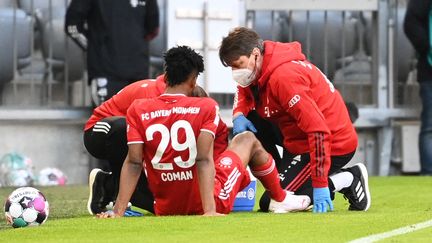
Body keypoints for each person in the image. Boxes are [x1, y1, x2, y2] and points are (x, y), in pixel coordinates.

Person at [98, 45, 311, 217]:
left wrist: (117, 211)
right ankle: (280, 198)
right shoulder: (205, 106)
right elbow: (204, 160)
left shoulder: (138, 108)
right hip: (208, 201)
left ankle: (119, 208)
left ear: (166, 74)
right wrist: (210, 211)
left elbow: (134, 162)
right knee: (247, 139)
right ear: (193, 80)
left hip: (165, 207)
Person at [218, 27, 371, 213]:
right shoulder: (259, 66)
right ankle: (280, 173)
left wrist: (321, 184)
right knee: (250, 121)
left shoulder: (284, 78)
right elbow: (244, 88)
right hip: (297, 137)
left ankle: (349, 178)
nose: (236, 72)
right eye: (232, 67)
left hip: (332, 144)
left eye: (238, 64)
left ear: (256, 54)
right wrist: (238, 114)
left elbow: (318, 130)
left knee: (271, 202)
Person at [84, 76, 166, 215]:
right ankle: (120, 200)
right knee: (123, 129)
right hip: (99, 132)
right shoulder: (151, 95)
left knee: (164, 207)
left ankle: (105, 184)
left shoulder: (187, 98)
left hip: (134, 141)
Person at [65, 0, 160, 106]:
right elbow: (73, 26)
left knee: (135, 120)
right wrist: (95, 49)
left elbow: (153, 27)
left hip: (136, 73)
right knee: (113, 119)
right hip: (107, 73)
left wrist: (96, 49)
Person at [404, 0, 432, 175]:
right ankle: (428, 174)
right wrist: (427, 47)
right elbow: (411, 24)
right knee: (430, 127)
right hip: (429, 72)